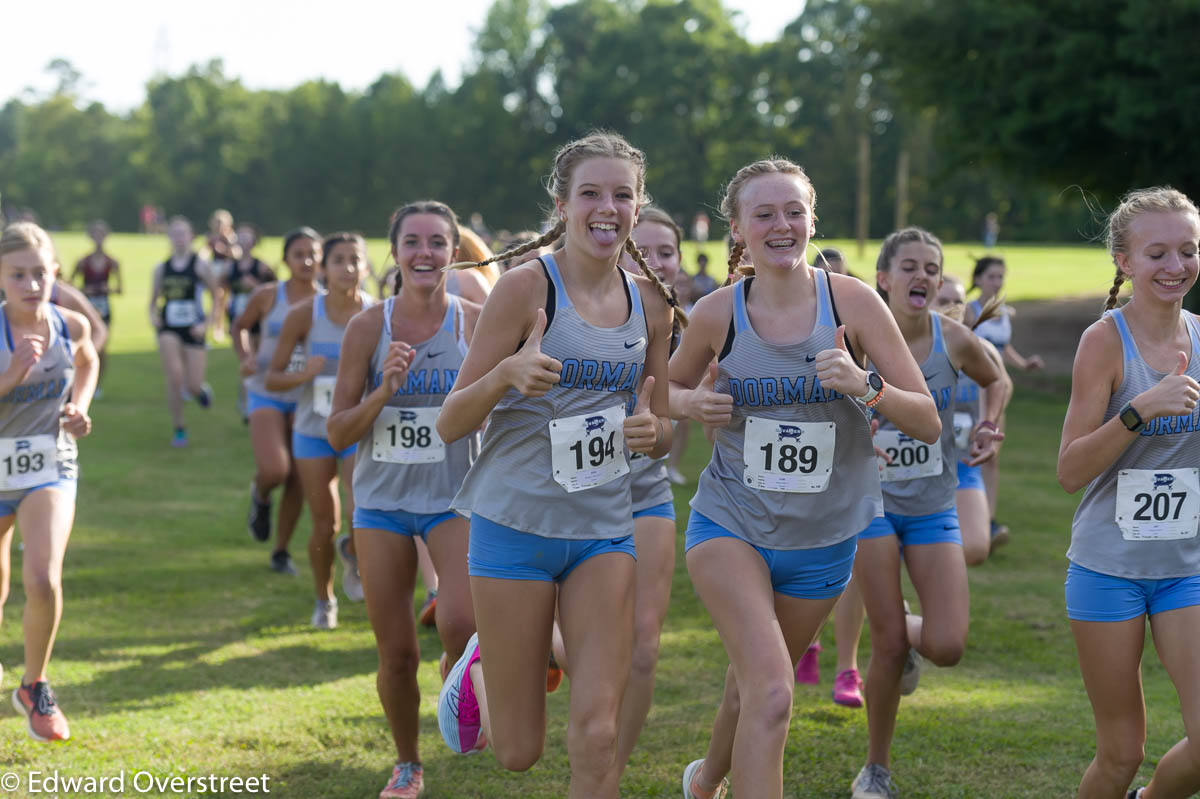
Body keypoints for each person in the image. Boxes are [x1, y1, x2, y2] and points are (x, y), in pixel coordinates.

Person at [670, 160, 940, 799]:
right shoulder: (717, 313)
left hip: (824, 538)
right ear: (738, 228)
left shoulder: (852, 302)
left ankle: (706, 780)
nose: (781, 224)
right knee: (771, 692)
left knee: (753, 684)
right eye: (763, 213)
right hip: (730, 523)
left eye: (794, 211)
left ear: (811, 220)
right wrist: (691, 406)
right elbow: (663, 394)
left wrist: (865, 384)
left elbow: (927, 419)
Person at [435, 132, 677, 798]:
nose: (608, 208)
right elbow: (452, 420)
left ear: (638, 206)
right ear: (562, 204)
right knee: (517, 751)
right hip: (514, 527)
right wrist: (505, 375)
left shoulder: (648, 303)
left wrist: (653, 430)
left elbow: (658, 429)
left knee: (598, 736)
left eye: (622, 195)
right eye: (591, 193)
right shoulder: (523, 291)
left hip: (603, 527)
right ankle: (484, 661)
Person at [327, 201, 479, 799]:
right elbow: (338, 431)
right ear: (393, 253)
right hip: (383, 505)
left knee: (463, 628)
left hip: (453, 496)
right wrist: (383, 390)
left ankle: (457, 690)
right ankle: (408, 763)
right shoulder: (368, 327)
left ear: (454, 251)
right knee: (395, 652)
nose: (424, 253)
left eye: (437, 242)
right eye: (412, 241)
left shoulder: (475, 320)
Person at [852, 227, 1005, 799]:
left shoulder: (954, 339)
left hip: (934, 502)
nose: (923, 276)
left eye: (932, 268)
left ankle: (910, 629)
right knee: (886, 644)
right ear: (884, 279)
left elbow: (997, 378)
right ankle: (876, 769)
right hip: (871, 507)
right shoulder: (858, 343)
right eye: (910, 266)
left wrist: (992, 421)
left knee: (947, 646)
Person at [1058, 187, 1200, 799]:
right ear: (1125, 261)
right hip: (1108, 568)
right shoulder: (1104, 341)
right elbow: (1069, 470)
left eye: (1188, 251)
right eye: (1158, 253)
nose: (1176, 267)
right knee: (1120, 753)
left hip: (1186, 569)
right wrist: (1140, 410)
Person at [0, 222, 98, 741]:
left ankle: (33, 685)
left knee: (42, 579)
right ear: (0, 277)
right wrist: (11, 376)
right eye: (18, 275)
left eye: (40, 273)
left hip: (48, 465)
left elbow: (88, 360)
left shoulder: (70, 325)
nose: (31, 284)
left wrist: (78, 408)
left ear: (55, 273)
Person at [612, 205, 688, 775]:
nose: (656, 263)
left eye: (667, 253)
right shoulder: (562, 304)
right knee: (572, 637)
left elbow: (667, 415)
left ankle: (607, 773)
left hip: (643, 490)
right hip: (563, 498)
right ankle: (498, 648)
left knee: (643, 645)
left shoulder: (672, 316)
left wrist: (659, 427)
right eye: (646, 250)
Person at [266, 233, 372, 627]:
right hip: (313, 430)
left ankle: (354, 552)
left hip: (358, 430)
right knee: (324, 523)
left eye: (355, 260)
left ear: (365, 267)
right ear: (324, 268)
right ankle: (323, 598)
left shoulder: (378, 313)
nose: (348, 268)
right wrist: (302, 372)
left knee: (361, 512)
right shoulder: (305, 316)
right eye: (339, 260)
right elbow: (272, 377)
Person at [233, 227, 322, 575]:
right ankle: (260, 493)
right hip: (266, 390)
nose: (307, 261)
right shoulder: (269, 295)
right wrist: (245, 357)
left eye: (313, 254)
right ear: (285, 259)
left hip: (307, 397)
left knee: (298, 477)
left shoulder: (329, 301)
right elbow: (241, 326)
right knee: (275, 469)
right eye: (298, 254)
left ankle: (281, 551)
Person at [966, 254, 1043, 549]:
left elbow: (1003, 347)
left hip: (998, 393)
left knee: (992, 456)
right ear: (978, 279)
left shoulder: (1003, 312)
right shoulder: (969, 312)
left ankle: (988, 519)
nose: (997, 282)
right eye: (992, 277)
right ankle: (963, 516)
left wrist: (1024, 364)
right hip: (971, 394)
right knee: (966, 450)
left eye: (1001, 276)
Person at [934, 276, 1012, 565]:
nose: (952, 307)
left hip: (963, 458)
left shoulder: (980, 349)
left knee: (975, 549)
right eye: (944, 300)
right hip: (916, 461)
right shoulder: (909, 347)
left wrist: (990, 423)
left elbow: (1001, 386)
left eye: (958, 301)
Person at [148, 216, 219, 447]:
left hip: (194, 328)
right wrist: (154, 317)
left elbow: (217, 297)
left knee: (192, 385)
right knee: (175, 377)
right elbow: (152, 302)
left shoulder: (200, 265)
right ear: (169, 237)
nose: (179, 238)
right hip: (169, 328)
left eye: (183, 233)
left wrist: (206, 324)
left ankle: (199, 391)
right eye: (174, 233)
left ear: (191, 237)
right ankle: (179, 428)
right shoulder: (161, 268)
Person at [70, 220, 121, 394]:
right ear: (90, 237)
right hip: (86, 309)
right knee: (83, 345)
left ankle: (97, 384)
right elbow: (69, 286)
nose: (98, 238)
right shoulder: (82, 262)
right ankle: (80, 380)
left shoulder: (112, 262)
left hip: (104, 308)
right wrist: (86, 290)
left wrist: (108, 289)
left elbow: (120, 289)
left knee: (102, 347)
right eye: (95, 234)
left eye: (102, 234)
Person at [206, 209, 239, 342]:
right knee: (218, 298)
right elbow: (205, 252)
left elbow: (236, 255)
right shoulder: (211, 237)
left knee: (225, 300)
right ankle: (218, 326)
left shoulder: (231, 237)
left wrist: (225, 249)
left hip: (228, 271)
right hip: (215, 271)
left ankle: (225, 326)